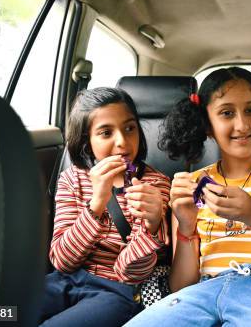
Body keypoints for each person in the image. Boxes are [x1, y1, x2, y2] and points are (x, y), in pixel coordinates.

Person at [124, 67, 251, 327]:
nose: (242, 125)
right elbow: (181, 287)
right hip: (203, 291)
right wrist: (186, 227)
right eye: (226, 113)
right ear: (207, 125)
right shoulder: (193, 185)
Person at [40, 87, 170, 327]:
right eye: (106, 132)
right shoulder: (72, 180)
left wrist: (152, 226)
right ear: (87, 142)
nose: (122, 142)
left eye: (129, 128)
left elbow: (133, 273)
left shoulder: (154, 185)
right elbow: (62, 261)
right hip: (65, 280)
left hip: (117, 291)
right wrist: (96, 203)